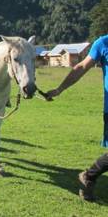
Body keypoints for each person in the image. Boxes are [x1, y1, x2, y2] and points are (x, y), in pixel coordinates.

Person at [46, 34, 108, 202]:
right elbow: (81, 67)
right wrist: (60, 89)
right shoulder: (102, 43)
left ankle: (89, 176)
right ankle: (89, 175)